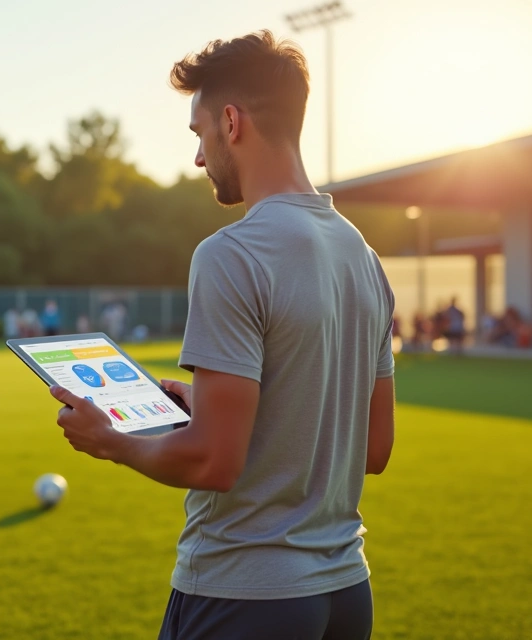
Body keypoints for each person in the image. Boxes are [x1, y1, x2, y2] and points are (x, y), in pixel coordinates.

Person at [48, 32, 391, 639]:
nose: (200, 157)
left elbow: (213, 459)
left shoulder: (232, 253)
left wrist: (112, 441)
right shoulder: (363, 256)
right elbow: (374, 447)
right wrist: (204, 406)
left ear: (230, 122)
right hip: (345, 592)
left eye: (198, 133)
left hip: (246, 594)